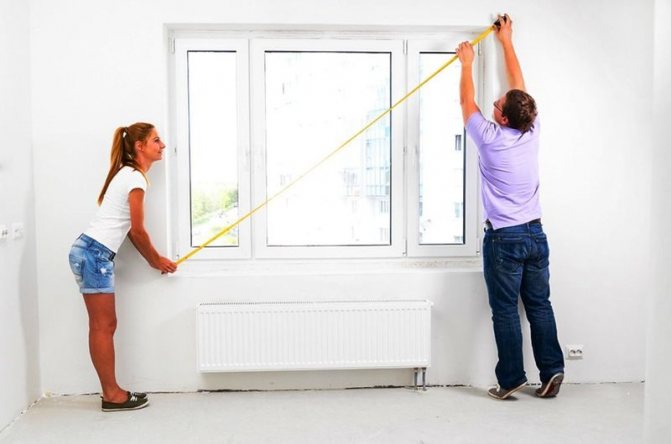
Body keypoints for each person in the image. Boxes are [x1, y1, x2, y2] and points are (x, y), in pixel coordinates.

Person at [456, 14, 565, 400]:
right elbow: (518, 86)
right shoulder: (530, 128)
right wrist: (506, 41)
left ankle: (511, 379)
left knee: (505, 309)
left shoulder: (489, 137)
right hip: (535, 234)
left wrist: (466, 64)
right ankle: (552, 371)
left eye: (497, 104)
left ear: (502, 118)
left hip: (505, 239)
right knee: (539, 305)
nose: (494, 102)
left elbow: (466, 101)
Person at [68, 123, 177, 411]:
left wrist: (154, 260)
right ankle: (112, 395)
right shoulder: (135, 178)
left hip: (90, 252)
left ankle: (112, 392)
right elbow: (137, 231)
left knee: (104, 325)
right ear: (140, 146)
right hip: (93, 254)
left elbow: (129, 229)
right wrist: (156, 260)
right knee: (103, 326)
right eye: (156, 140)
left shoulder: (127, 174)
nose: (162, 145)